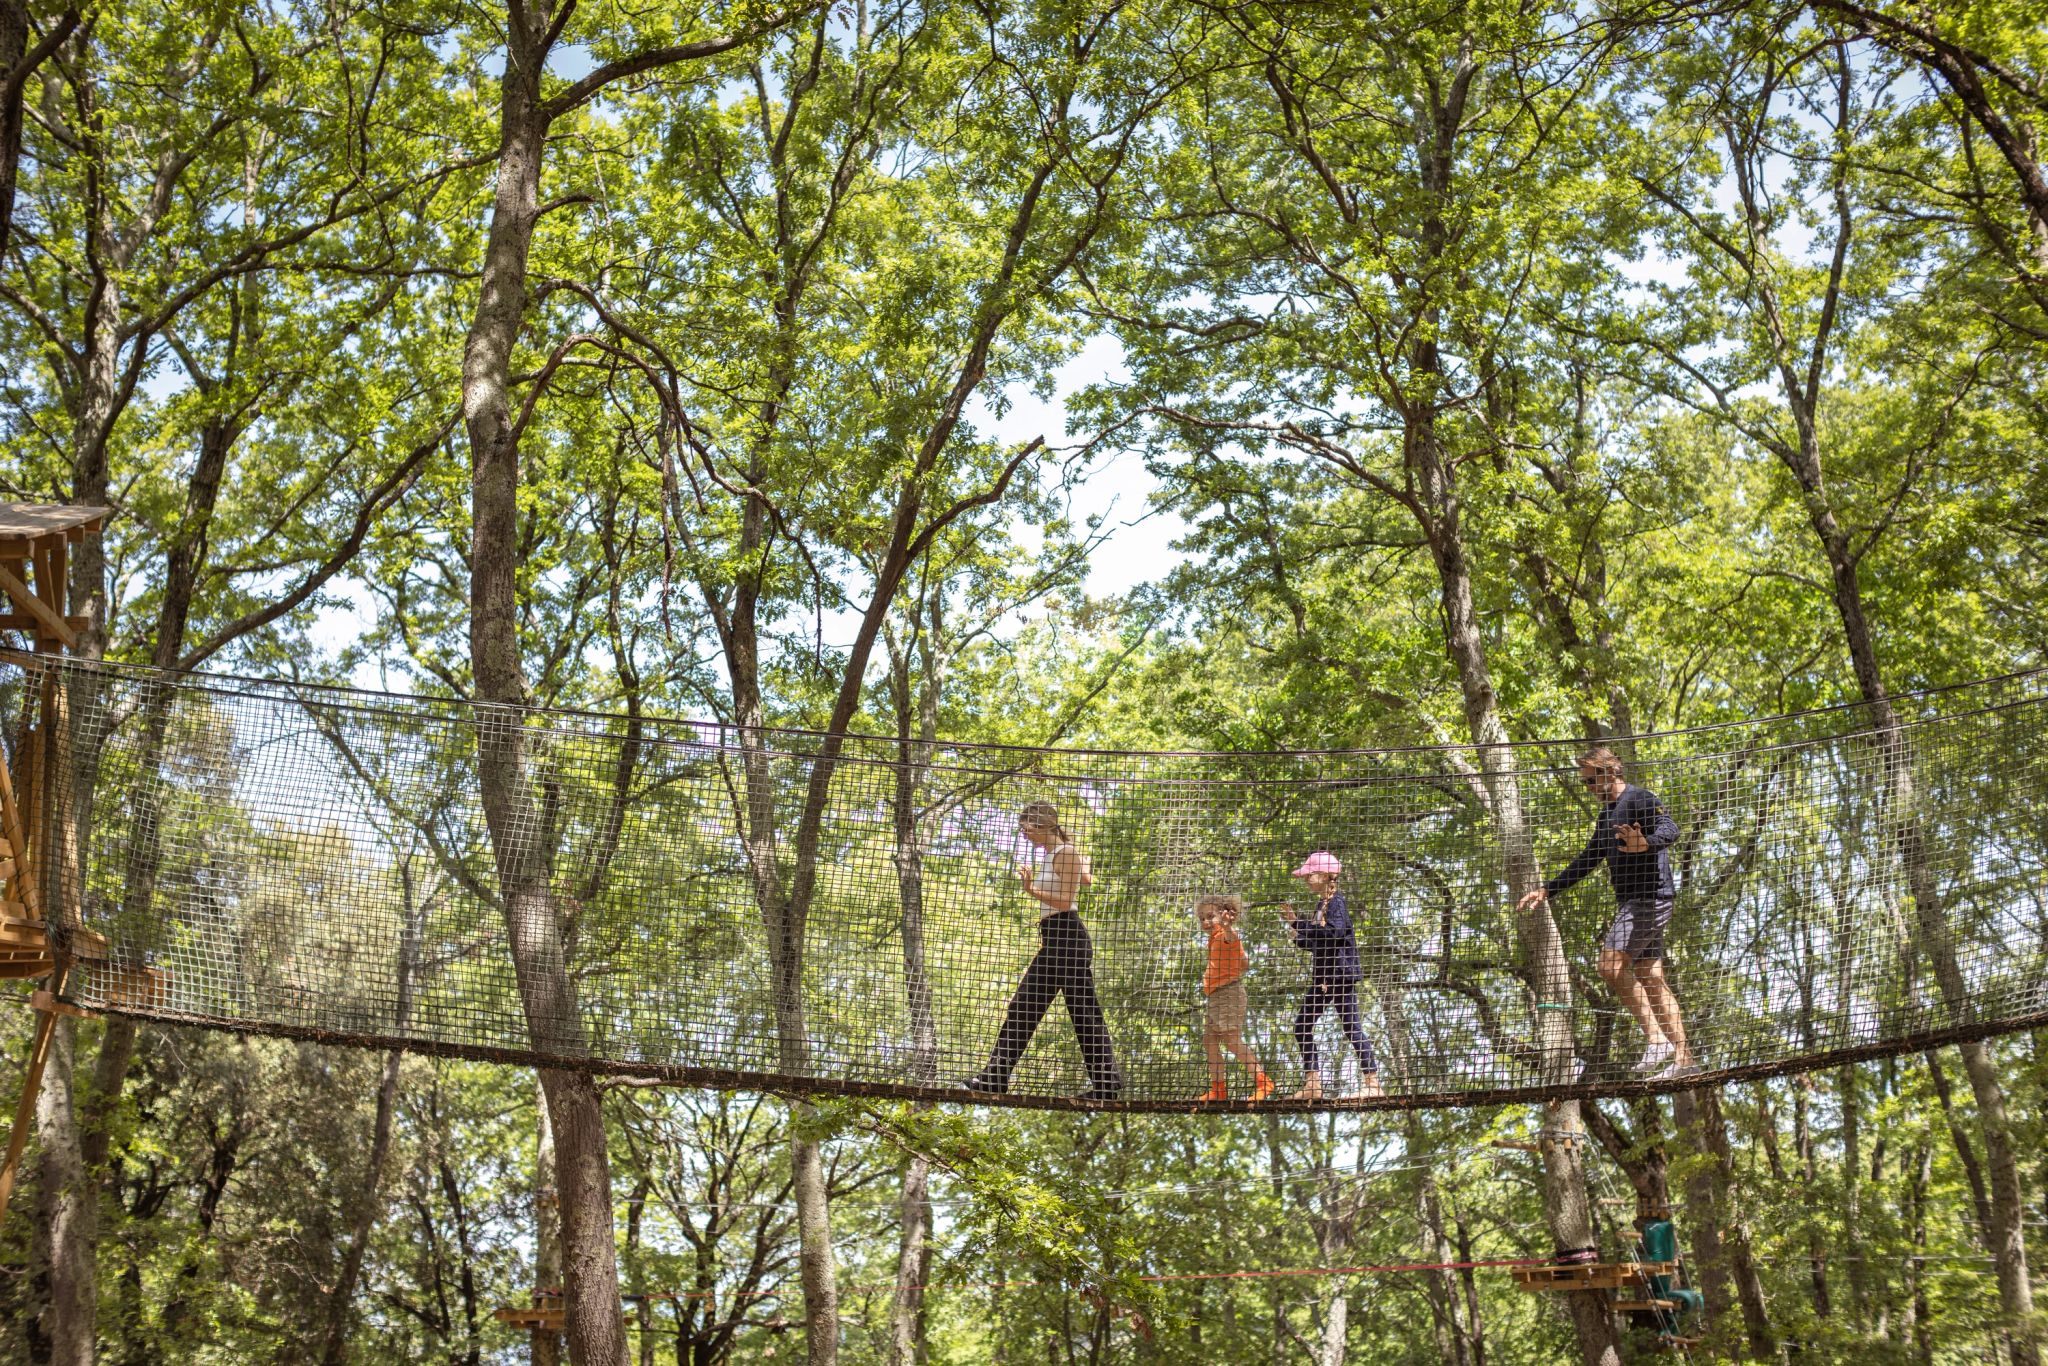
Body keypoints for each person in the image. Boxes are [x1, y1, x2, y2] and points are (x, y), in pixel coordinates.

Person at [1517, 746, 1695, 1080]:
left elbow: (1671, 829)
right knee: (1651, 977)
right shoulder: (1605, 817)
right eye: (1584, 783)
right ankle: (1684, 1059)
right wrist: (1547, 889)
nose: (1588, 788)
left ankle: (1657, 1040)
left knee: (1610, 967)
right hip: (1636, 900)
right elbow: (1588, 859)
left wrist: (1647, 843)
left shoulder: (1641, 798)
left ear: (1610, 772)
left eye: (1590, 781)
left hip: (1648, 897)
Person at [964, 800, 1123, 1101]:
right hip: (1055, 939)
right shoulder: (1059, 853)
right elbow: (1086, 879)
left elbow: (1065, 901)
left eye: (1025, 830)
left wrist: (1030, 889)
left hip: (1067, 937)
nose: (1024, 836)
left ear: (1041, 825)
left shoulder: (1065, 853)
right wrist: (1079, 863)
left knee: (1078, 1012)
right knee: (1029, 1007)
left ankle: (1106, 1085)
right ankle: (995, 1078)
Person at [1280, 852, 1381, 1101]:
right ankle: (1313, 1084)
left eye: (1310, 874)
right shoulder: (1320, 905)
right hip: (1323, 979)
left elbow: (1335, 933)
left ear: (1326, 876)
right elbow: (1320, 942)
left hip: (1340, 977)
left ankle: (1373, 1083)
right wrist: (1298, 934)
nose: (1306, 880)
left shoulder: (1337, 903)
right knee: (1302, 1026)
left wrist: (1300, 924)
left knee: (1351, 1028)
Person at [1194, 895, 1275, 1103]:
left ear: (1223, 916)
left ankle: (1263, 1082)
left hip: (1228, 994)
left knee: (1231, 1040)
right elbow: (1245, 963)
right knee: (1210, 1041)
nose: (1205, 922)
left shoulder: (1225, 935)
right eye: (1202, 918)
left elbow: (1232, 937)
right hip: (1216, 996)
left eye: (1210, 916)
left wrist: (1228, 926)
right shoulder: (1214, 940)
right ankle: (1218, 1089)